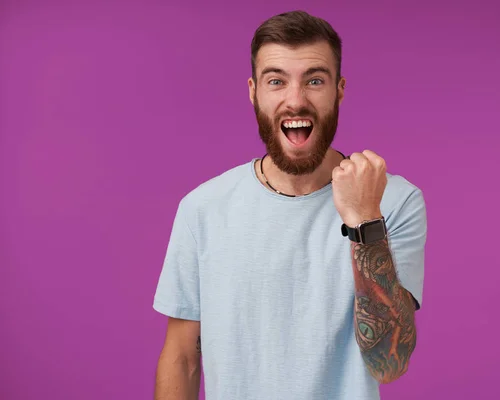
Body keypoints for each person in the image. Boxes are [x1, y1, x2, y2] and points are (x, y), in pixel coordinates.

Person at [152, 10, 427, 400]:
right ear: (253, 91)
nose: (295, 100)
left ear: (339, 90)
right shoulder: (202, 209)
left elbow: (389, 364)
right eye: (276, 81)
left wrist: (365, 219)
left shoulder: (393, 201)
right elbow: (182, 357)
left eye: (314, 80)